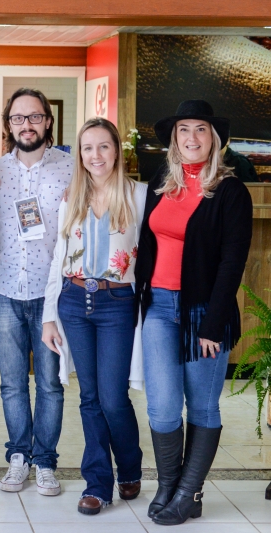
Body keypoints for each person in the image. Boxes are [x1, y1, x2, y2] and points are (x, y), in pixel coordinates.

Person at [135, 100, 253, 525]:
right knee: (163, 407)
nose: (191, 137)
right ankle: (169, 485)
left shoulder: (231, 192)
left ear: (213, 138)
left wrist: (212, 323)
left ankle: (189, 493)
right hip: (160, 309)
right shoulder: (161, 182)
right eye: (183, 129)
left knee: (202, 407)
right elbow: (146, 246)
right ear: (174, 139)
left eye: (200, 129)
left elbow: (231, 263)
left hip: (205, 311)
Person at [41, 118, 147, 515]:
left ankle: (130, 467)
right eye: (88, 147)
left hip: (117, 304)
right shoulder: (73, 198)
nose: (95, 155)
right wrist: (49, 315)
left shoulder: (139, 196)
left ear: (117, 150)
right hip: (74, 302)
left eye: (104, 146)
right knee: (88, 398)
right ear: (79, 154)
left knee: (112, 398)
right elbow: (58, 260)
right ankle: (98, 483)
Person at [0, 88, 72, 496]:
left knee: (51, 383)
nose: (27, 125)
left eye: (35, 117)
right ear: (8, 124)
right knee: (11, 383)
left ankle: (45, 461)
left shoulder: (71, 169)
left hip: (52, 295)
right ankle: (18, 456)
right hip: (5, 291)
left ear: (48, 121)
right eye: (19, 118)